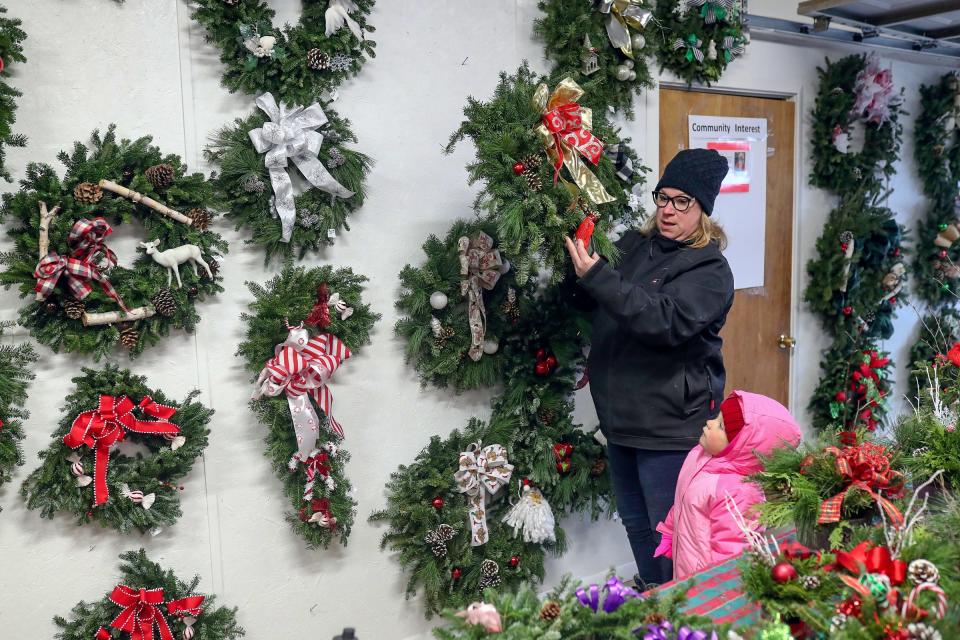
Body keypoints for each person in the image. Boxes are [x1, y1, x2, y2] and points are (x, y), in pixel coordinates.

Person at [564, 148, 734, 587]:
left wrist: (599, 276)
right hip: (620, 419)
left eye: (683, 202)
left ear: (703, 211)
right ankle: (658, 599)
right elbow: (595, 294)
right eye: (663, 197)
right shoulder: (635, 246)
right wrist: (578, 266)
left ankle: (684, 614)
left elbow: (664, 321)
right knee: (637, 524)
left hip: (668, 427)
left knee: (672, 533)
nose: (669, 210)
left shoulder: (710, 269)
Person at [654, 391, 802, 580]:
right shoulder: (699, 456)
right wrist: (670, 531)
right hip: (685, 570)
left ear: (740, 447)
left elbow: (734, 554)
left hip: (708, 584)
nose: (710, 423)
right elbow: (684, 500)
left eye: (721, 426)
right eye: (717, 417)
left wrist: (721, 590)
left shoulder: (739, 492)